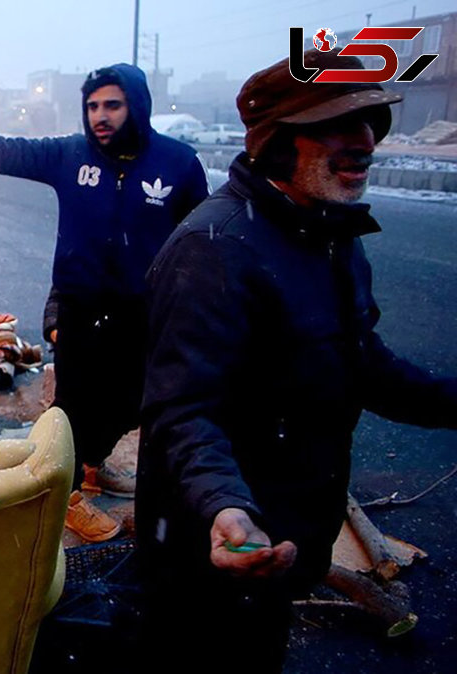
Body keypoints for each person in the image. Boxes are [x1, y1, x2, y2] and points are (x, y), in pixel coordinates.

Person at [137, 51, 457, 672]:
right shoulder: (215, 250)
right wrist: (226, 507)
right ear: (278, 145)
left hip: (287, 534)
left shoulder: (328, 232)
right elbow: (182, 409)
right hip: (216, 548)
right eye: (335, 125)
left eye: (368, 122)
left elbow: (364, 363)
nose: (362, 142)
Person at [0, 63, 209, 541]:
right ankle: (70, 495)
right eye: (92, 106)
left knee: (133, 403)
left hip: (143, 313)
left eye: (112, 105)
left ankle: (93, 465)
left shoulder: (178, 163)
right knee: (74, 409)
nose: (100, 115)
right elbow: (0, 151)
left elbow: (199, 240)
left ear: (136, 106)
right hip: (80, 309)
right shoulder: (68, 154)